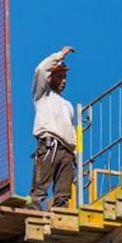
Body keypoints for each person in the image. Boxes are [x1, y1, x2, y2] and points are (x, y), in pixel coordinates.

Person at [30, 45, 76, 210]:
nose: (63, 80)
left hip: (66, 151)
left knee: (63, 193)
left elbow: (70, 131)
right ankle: (34, 211)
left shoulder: (67, 105)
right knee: (39, 189)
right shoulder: (42, 95)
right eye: (60, 77)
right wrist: (60, 55)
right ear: (50, 78)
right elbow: (41, 69)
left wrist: (75, 155)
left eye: (65, 77)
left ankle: (60, 215)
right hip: (49, 146)